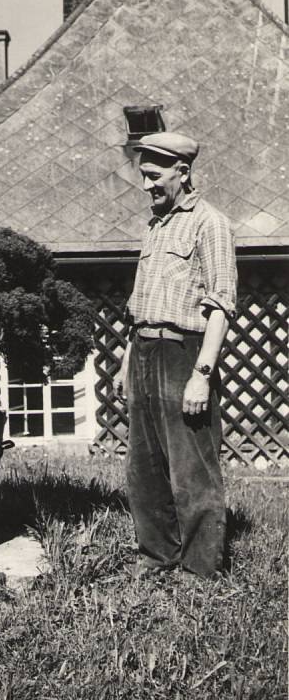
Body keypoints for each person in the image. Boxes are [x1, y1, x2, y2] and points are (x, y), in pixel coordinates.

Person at [114, 132, 237, 579]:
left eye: (154, 175)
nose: (146, 184)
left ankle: (200, 571)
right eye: (142, 175)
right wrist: (128, 359)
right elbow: (140, 305)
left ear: (182, 172)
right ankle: (157, 558)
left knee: (192, 471)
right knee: (144, 470)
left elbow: (222, 305)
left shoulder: (211, 224)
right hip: (145, 351)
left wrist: (202, 373)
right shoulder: (155, 226)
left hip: (184, 355)